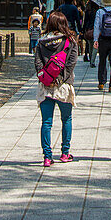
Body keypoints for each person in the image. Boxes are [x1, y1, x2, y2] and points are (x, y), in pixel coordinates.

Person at [34, 11, 77, 167]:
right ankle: (65, 153)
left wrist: (46, 78)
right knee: (66, 119)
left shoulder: (41, 42)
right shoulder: (70, 41)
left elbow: (38, 64)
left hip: (45, 86)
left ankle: (47, 156)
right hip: (63, 86)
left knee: (46, 122)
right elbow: (70, 64)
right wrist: (59, 80)